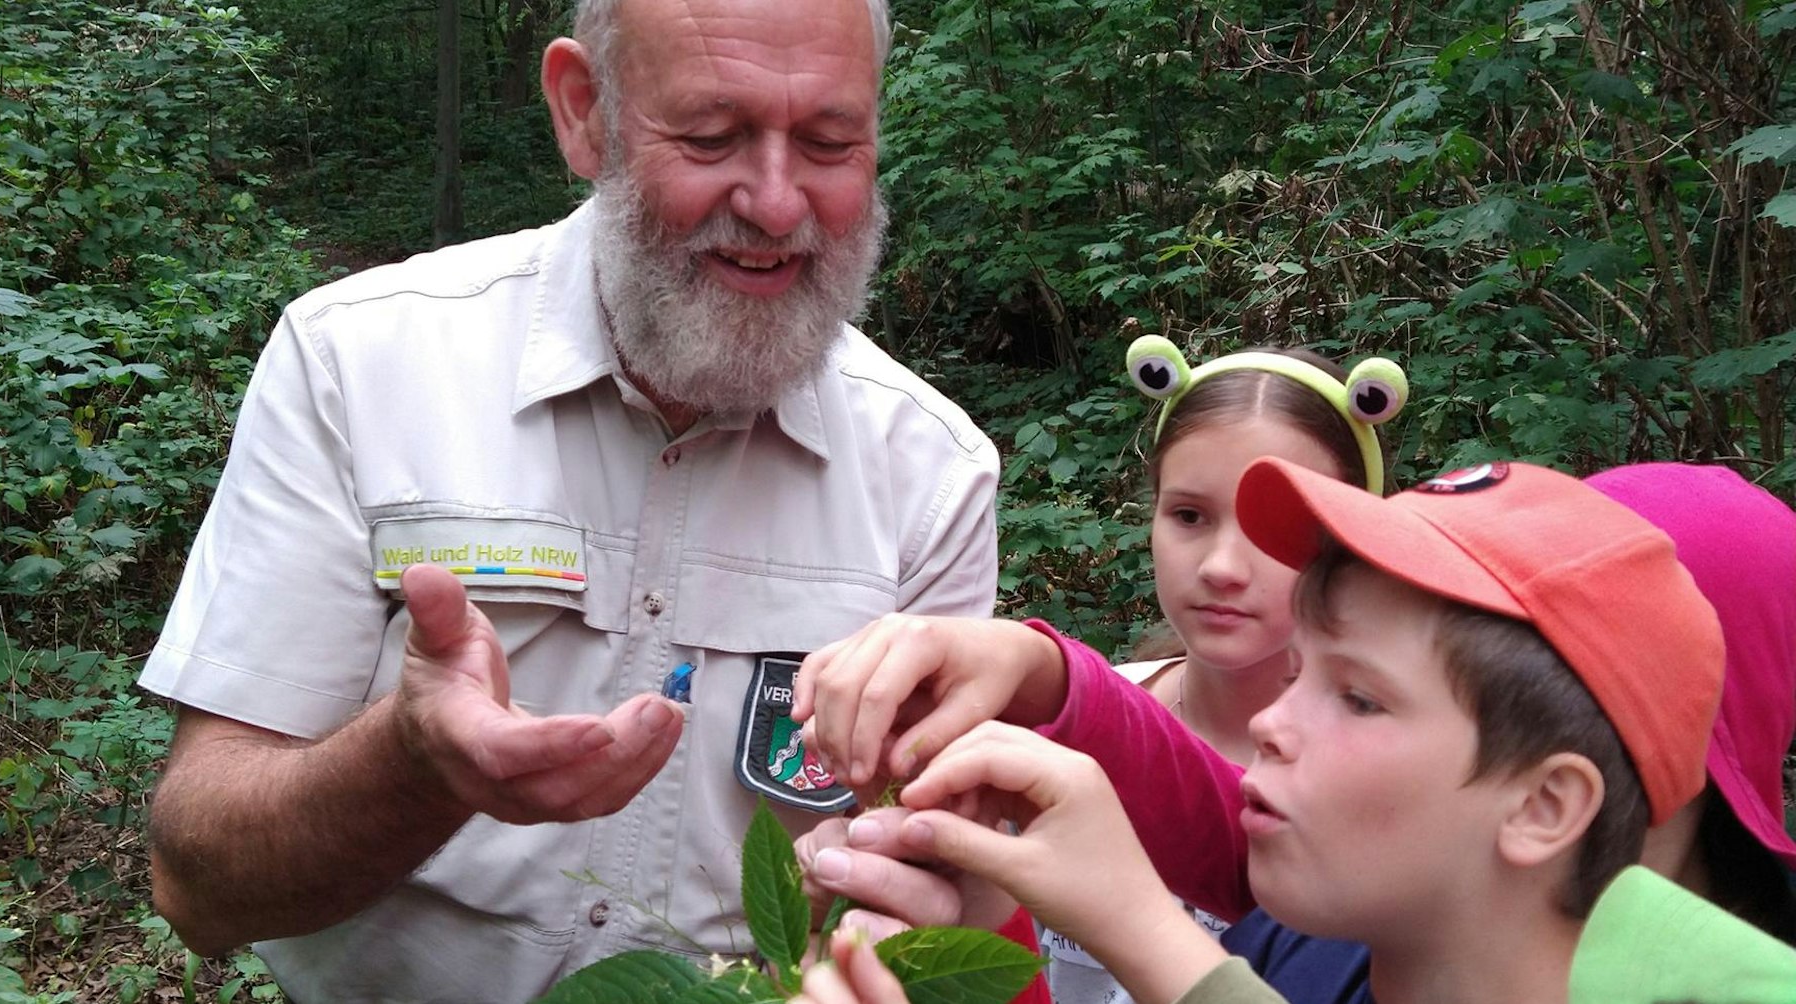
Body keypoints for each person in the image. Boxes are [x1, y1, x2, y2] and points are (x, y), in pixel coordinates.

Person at [135, 0, 1003, 999]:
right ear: (582, 109)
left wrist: (904, 903)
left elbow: (927, 881)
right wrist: (414, 764)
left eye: (828, 142)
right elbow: (195, 882)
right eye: (712, 136)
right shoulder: (358, 365)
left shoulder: (931, 473)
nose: (774, 202)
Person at [797, 461, 1796, 1000]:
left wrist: (1141, 926)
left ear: (1546, 800)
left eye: (1356, 695)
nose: (1268, 723)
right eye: (1298, 670)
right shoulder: (1327, 939)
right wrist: (987, 923)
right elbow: (1202, 810)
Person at [1051, 336, 1408, 1001]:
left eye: (1273, 525)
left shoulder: (1388, 785)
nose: (1220, 566)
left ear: (1355, 541)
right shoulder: (1072, 727)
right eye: (1189, 515)